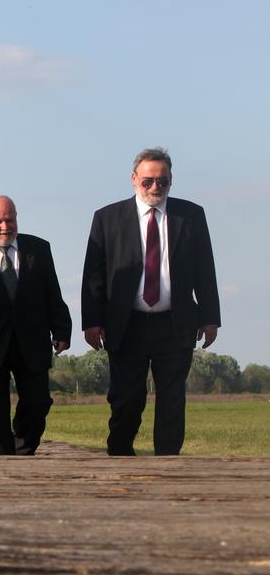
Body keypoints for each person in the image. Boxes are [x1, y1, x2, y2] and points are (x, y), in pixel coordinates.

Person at [82, 147, 220, 456]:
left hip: (175, 323)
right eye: (148, 181)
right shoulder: (108, 218)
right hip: (126, 324)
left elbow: (204, 269)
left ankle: (167, 463)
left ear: (171, 180)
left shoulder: (191, 215)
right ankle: (120, 455)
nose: (155, 188)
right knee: (127, 398)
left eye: (163, 181)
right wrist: (91, 322)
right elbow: (93, 276)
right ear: (133, 180)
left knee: (172, 398)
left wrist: (211, 318)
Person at [0, 195, 73, 455]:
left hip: (31, 340)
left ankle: (23, 450)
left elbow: (52, 292)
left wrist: (61, 330)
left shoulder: (39, 249)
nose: (5, 227)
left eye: (9, 219)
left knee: (38, 401)